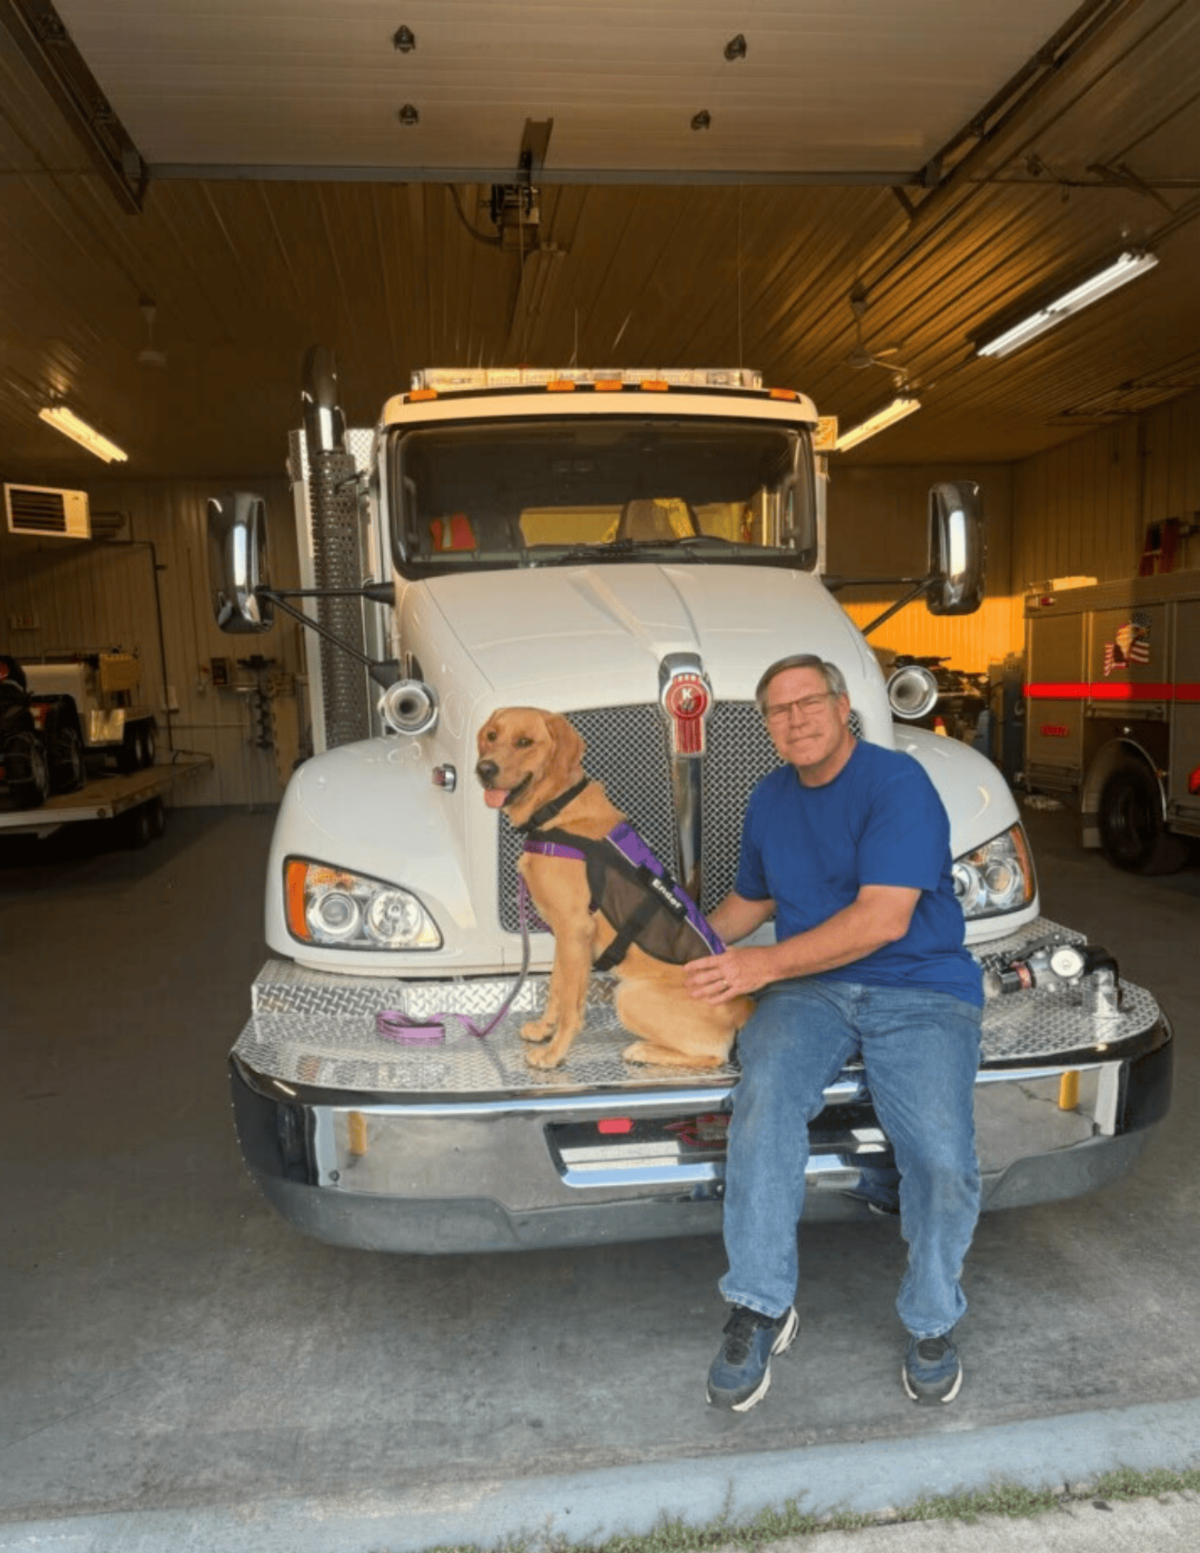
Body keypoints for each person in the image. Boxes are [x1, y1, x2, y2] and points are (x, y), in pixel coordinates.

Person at [684, 653, 984, 1413]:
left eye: (809, 702)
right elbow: (748, 903)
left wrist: (758, 969)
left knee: (942, 1155)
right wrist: (680, 943)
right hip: (813, 988)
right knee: (763, 1105)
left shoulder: (896, 784)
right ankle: (759, 1304)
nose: (797, 719)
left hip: (918, 986)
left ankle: (932, 1317)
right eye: (779, 711)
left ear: (843, 705)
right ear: (768, 728)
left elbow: (883, 918)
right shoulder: (770, 797)